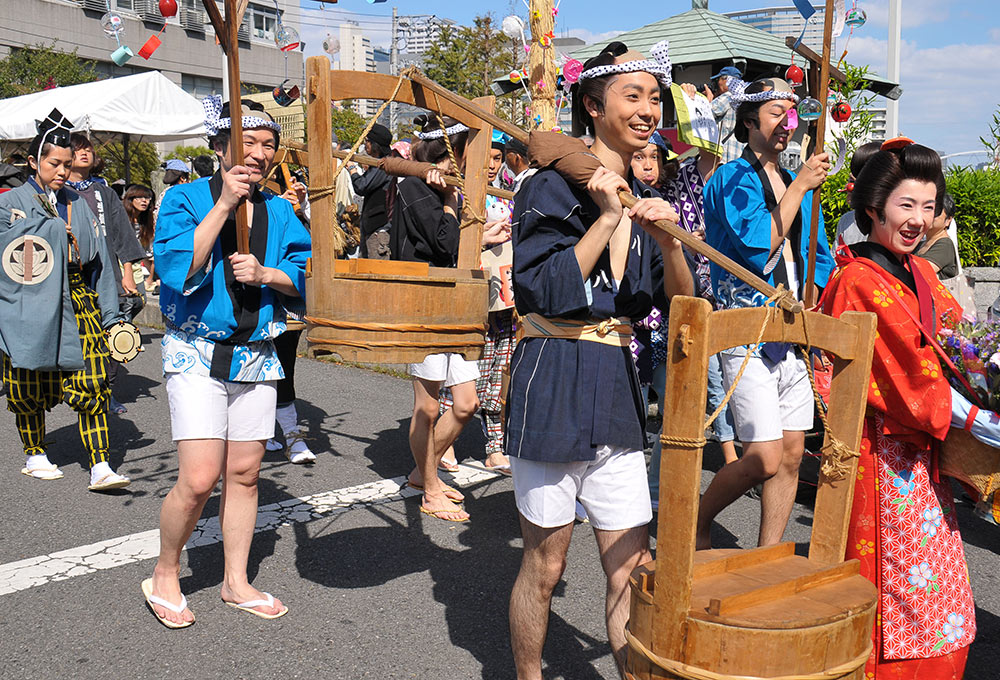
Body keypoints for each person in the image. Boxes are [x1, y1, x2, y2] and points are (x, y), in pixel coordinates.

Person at [507, 41, 693, 679]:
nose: (648, 109)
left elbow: (676, 305)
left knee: (630, 569)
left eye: (653, 97)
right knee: (546, 566)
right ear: (593, 106)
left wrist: (667, 243)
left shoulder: (644, 199)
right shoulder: (547, 185)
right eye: (631, 95)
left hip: (617, 388)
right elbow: (545, 290)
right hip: (553, 376)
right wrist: (607, 217)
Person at [143, 97, 310, 628]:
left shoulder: (282, 212)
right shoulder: (184, 199)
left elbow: (303, 275)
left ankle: (235, 581)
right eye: (248, 144)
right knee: (198, 477)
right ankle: (165, 572)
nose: (259, 155)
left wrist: (267, 275)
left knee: (244, 472)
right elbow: (175, 268)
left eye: (268, 145)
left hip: (257, 352)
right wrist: (222, 208)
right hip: (195, 348)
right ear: (220, 148)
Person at [821, 139, 975, 678]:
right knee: (897, 594)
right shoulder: (856, 280)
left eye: (929, 207)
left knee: (935, 593)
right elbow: (909, 369)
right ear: (872, 208)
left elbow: (964, 342)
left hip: (921, 456)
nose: (918, 220)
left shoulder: (924, 274)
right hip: (881, 455)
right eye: (906, 205)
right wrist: (975, 413)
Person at [696, 76, 835, 550]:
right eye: (776, 112)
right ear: (749, 120)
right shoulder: (730, 178)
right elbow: (759, 246)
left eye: (790, 113)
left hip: (791, 330)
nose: (786, 123)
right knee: (764, 456)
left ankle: (769, 553)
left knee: (794, 452)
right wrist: (799, 184)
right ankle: (695, 515)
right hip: (746, 328)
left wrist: (814, 295)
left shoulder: (801, 182)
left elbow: (817, 252)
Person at [0, 108, 130, 491]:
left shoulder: (79, 202)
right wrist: (54, 227)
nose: (62, 171)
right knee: (27, 379)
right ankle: (35, 452)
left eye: (67, 164)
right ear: (32, 162)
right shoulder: (9, 203)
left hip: (77, 295)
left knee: (93, 379)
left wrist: (112, 316)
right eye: (54, 163)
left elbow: (101, 263)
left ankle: (100, 463)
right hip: (26, 301)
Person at [393, 114, 480, 523]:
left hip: (454, 299)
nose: (459, 165)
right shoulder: (413, 185)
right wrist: (449, 204)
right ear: (440, 154)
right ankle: (429, 488)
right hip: (422, 300)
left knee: (466, 403)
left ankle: (420, 470)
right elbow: (444, 243)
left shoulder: (450, 188)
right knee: (427, 407)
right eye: (456, 156)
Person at [67, 133, 148, 415]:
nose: (85, 153)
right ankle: (74, 385)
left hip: (107, 270)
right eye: (78, 150)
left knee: (112, 329)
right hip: (69, 273)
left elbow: (122, 235)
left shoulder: (104, 192)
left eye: (88, 149)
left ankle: (106, 391)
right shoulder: (56, 190)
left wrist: (128, 272)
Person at [348, 124, 393, 259]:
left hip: (379, 230)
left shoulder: (384, 165)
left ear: (374, 144)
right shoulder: (378, 163)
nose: (365, 144)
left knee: (377, 272)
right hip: (372, 227)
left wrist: (352, 170)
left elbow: (362, 186)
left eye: (366, 141)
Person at [834, 141, 882, 247]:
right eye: (851, 180)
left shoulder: (887, 224)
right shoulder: (846, 221)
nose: (851, 187)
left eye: (857, 182)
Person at [917, 191, 959, 278]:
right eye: (927, 209)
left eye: (936, 212)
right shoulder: (921, 243)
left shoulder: (945, 244)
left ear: (948, 220)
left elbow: (920, 271)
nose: (930, 215)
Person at [125, 184, 157, 293]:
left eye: (147, 198)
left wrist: (150, 279)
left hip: (136, 269)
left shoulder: (146, 223)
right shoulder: (122, 218)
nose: (144, 201)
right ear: (130, 199)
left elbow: (149, 254)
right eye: (139, 198)